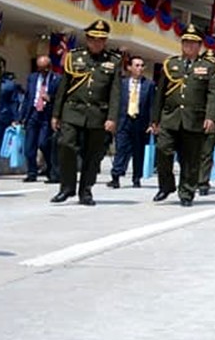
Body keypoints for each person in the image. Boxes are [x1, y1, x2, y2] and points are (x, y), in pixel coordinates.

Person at [51, 19, 120, 205]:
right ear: (87, 39)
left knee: (93, 154)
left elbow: (115, 93)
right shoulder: (74, 57)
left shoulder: (113, 61)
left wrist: (112, 117)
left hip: (98, 113)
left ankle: (86, 190)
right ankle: (67, 187)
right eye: (93, 39)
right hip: (72, 110)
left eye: (100, 39)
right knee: (66, 145)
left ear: (105, 41)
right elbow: (63, 88)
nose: (96, 43)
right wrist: (56, 114)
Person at [151, 25, 215, 207]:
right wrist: (155, 119)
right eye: (186, 42)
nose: (189, 45)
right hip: (170, 117)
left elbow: (213, 94)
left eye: (193, 43)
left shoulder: (207, 67)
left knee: (190, 159)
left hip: (194, 118)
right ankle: (166, 185)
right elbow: (160, 93)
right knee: (162, 151)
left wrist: (210, 116)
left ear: (199, 46)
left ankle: (187, 192)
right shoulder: (171, 64)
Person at [109, 55, 154, 188]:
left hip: (140, 122)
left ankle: (136, 177)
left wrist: (152, 123)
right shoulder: (122, 84)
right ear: (129, 68)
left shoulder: (149, 84)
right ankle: (116, 175)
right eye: (137, 65)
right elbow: (115, 102)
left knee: (138, 151)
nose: (140, 68)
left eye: (142, 65)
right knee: (121, 148)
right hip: (124, 120)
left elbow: (152, 105)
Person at [20, 54, 59, 183]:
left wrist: (51, 99)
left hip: (47, 116)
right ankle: (32, 172)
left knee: (44, 143)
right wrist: (21, 116)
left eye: (46, 68)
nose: (43, 71)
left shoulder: (57, 79)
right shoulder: (32, 78)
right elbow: (27, 97)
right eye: (41, 68)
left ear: (50, 67)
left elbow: (61, 99)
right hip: (33, 113)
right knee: (29, 146)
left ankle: (51, 169)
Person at [195, 48, 215, 196]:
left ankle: (203, 181)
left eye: (214, 62)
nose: (211, 65)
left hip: (213, 123)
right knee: (193, 153)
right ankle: (192, 179)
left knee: (207, 154)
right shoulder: (194, 78)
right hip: (194, 121)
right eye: (208, 62)